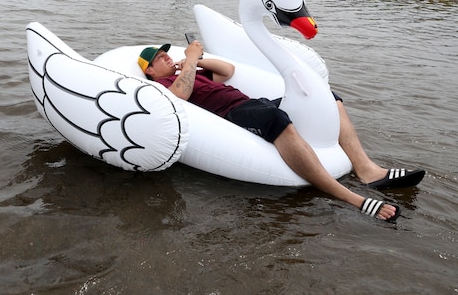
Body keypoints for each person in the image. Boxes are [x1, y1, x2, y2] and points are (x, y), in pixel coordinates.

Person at [138, 41, 425, 222]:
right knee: (276, 118)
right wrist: (188, 61)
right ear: (150, 72)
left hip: (251, 104)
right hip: (232, 115)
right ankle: (352, 198)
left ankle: (367, 169)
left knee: (327, 96)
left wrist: (196, 59)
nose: (166, 57)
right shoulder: (162, 86)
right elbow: (180, 95)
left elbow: (226, 70)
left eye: (166, 54)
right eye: (159, 58)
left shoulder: (192, 71)